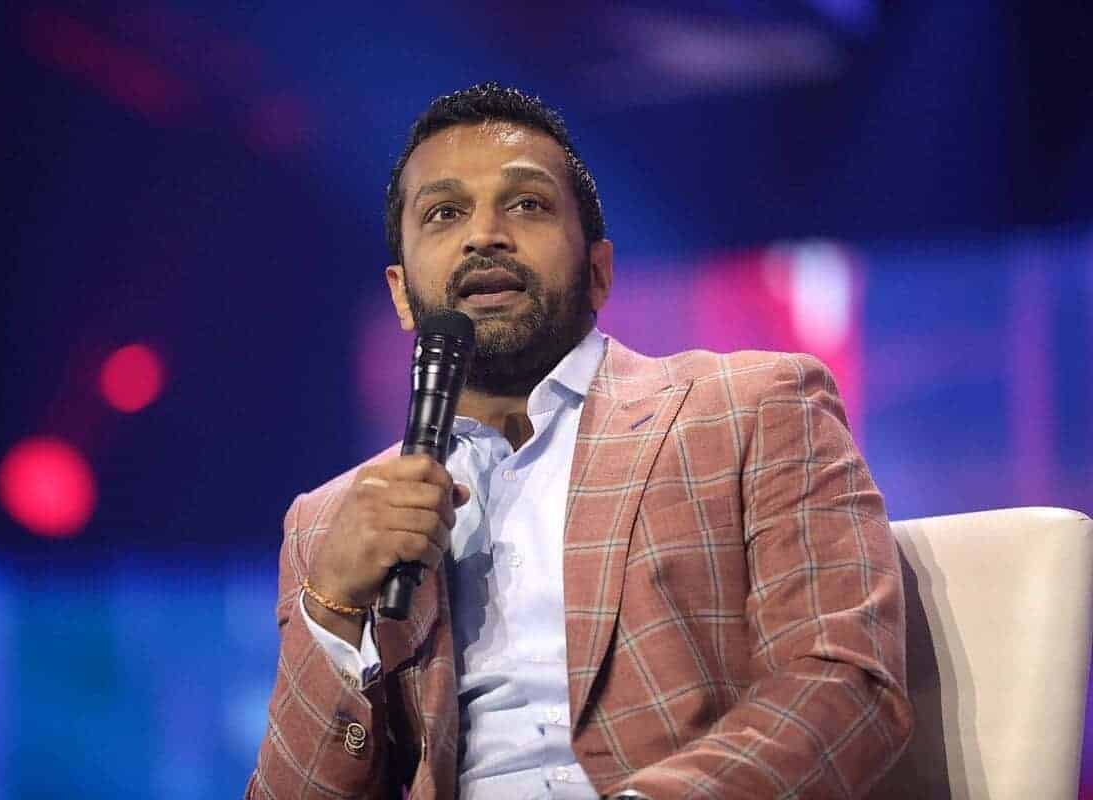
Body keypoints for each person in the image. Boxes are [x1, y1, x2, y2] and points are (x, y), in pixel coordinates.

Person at [246, 83, 913, 800]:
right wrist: (334, 610)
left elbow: (845, 681)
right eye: (444, 213)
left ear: (598, 270)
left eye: (527, 204)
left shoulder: (750, 409)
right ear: (402, 294)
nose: (484, 235)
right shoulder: (329, 524)